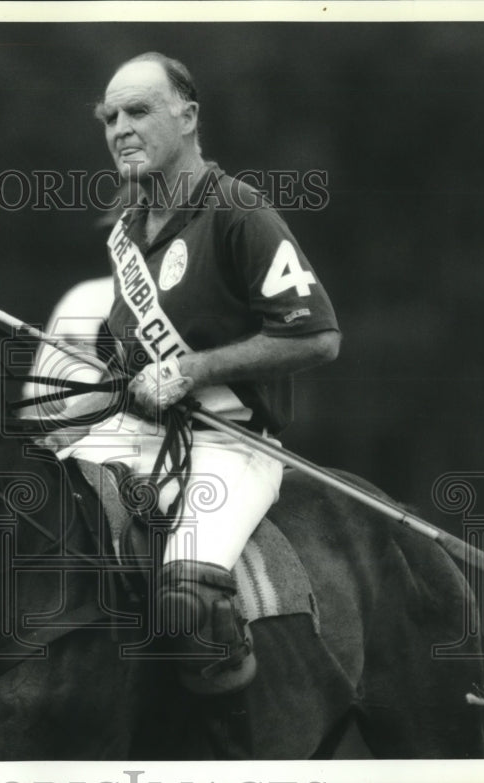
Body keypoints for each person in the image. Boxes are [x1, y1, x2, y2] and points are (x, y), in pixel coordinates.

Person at [56, 52, 341, 697]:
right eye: (111, 117)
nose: (120, 128)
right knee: (30, 524)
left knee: (189, 603)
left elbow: (319, 337)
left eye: (139, 111)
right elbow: (127, 354)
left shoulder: (241, 212)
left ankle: (228, 742)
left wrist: (194, 369)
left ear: (188, 117)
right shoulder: (127, 230)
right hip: (133, 435)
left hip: (230, 444)